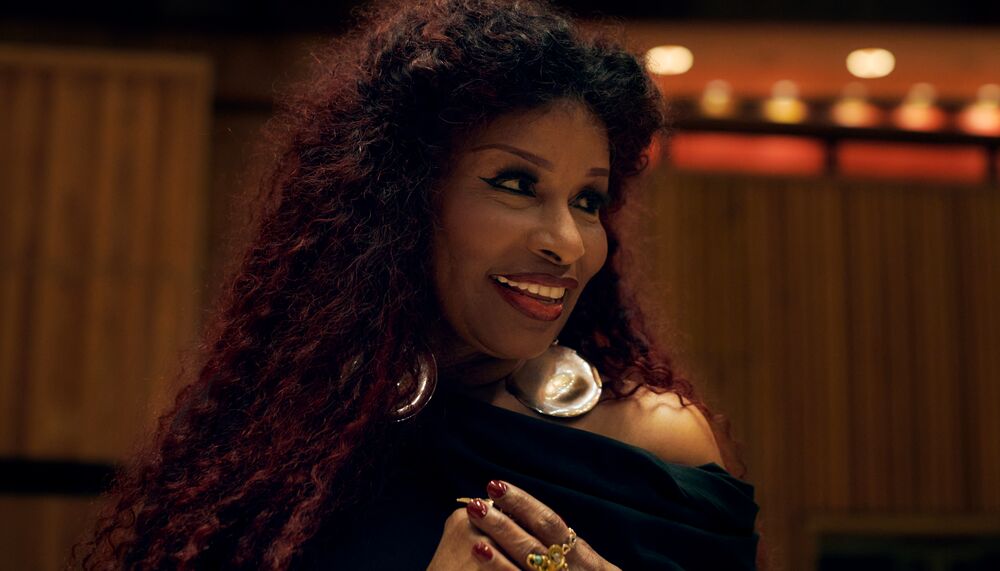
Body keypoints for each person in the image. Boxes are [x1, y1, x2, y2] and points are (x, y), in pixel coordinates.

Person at [76, 0, 760, 569]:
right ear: (404, 202)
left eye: (588, 200)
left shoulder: (654, 448)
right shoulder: (269, 446)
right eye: (517, 183)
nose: (568, 241)